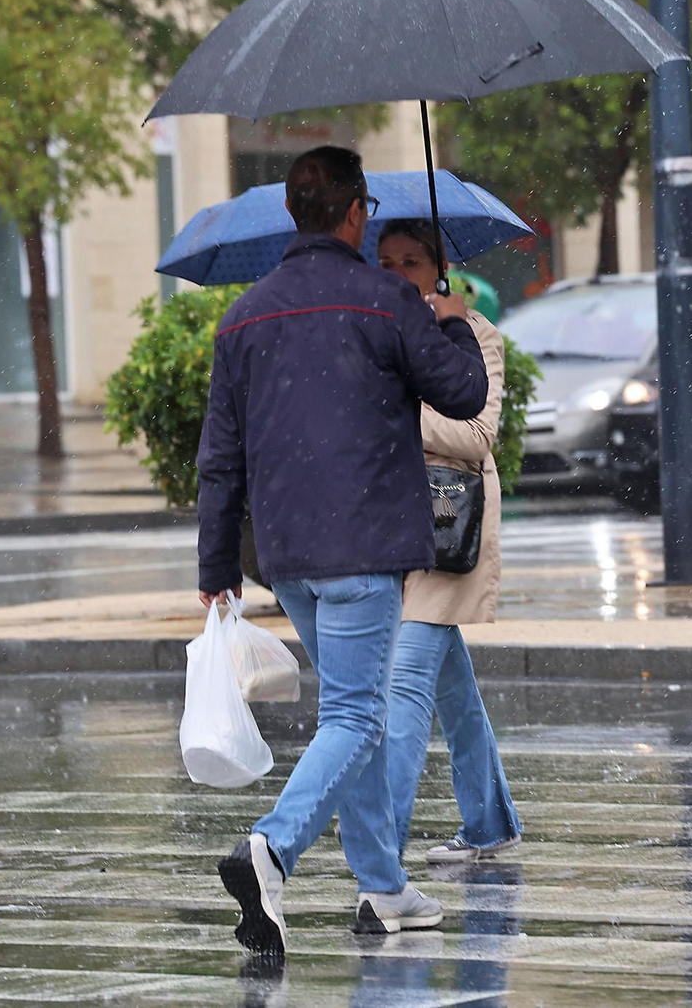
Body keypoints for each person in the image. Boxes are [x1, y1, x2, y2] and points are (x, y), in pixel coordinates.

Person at [197, 147, 489, 955]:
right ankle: (270, 849)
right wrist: (450, 318)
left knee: (350, 714)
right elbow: (464, 393)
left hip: (287, 553)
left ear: (294, 212)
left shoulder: (244, 316)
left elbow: (219, 456)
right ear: (356, 211)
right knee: (357, 716)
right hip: (364, 542)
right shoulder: (386, 301)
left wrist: (216, 567)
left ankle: (383, 885)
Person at [376, 219, 523, 865]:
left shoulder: (476, 336)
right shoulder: (371, 335)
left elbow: (477, 434)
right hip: (384, 531)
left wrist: (395, 410)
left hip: (445, 525)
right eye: (385, 262)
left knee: (407, 678)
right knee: (451, 686)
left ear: (438, 269)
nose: (396, 273)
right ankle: (489, 821)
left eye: (410, 261)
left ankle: (380, 851)